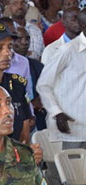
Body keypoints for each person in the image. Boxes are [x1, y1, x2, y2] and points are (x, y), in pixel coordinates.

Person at [37, 8, 86, 150]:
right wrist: (56, 113)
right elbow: (44, 85)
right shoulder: (65, 50)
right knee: (69, 170)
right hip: (72, 126)